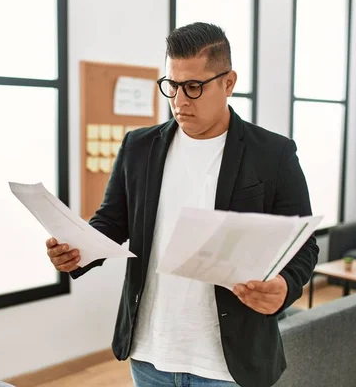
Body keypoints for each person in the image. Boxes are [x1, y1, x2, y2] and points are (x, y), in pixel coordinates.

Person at [45, 22, 319, 387]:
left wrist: (285, 286)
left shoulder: (273, 154)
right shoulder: (138, 147)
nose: (179, 100)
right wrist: (77, 248)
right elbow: (112, 222)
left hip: (228, 365)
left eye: (193, 87)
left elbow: (303, 243)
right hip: (150, 353)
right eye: (171, 86)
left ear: (228, 82)